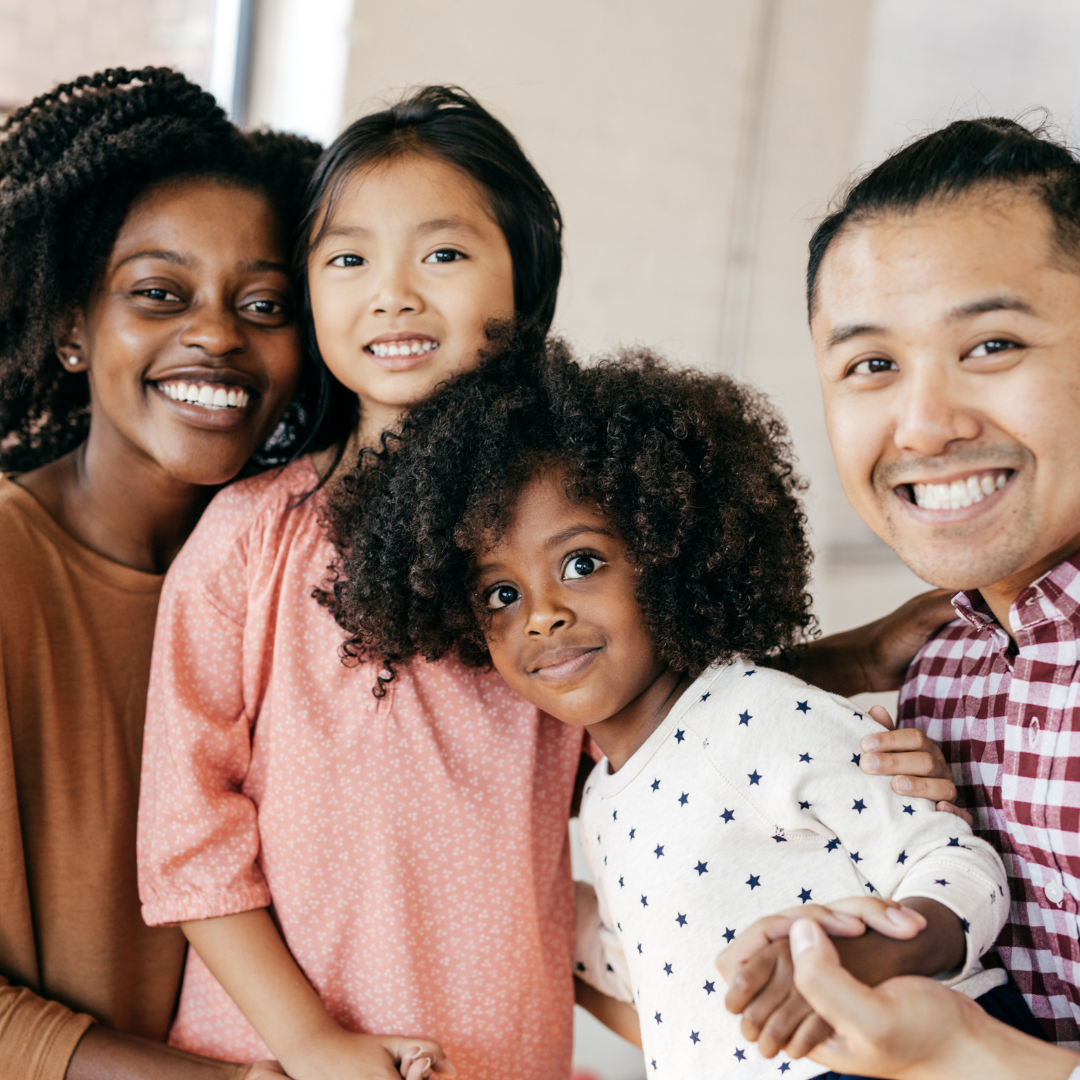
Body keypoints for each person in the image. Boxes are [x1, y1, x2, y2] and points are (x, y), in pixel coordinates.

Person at [135, 86, 952, 1080]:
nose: (393, 292)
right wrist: (312, 1047)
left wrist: (849, 680)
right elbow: (188, 839)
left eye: (442, 253)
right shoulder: (248, 541)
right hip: (278, 1051)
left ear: (522, 286)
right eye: (348, 258)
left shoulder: (559, 540)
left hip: (504, 1046)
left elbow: (664, 714)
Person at [311, 335, 1031, 1080]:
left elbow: (956, 862)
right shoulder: (606, 799)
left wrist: (876, 954)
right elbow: (661, 974)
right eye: (501, 594)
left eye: (581, 563)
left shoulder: (761, 716)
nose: (542, 615)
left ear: (671, 550)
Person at [726, 114, 1080, 1077]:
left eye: (993, 344)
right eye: (873, 366)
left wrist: (975, 1054)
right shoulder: (941, 672)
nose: (924, 426)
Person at [0, 68, 320, 1080]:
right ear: (71, 327)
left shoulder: (306, 572)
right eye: (158, 292)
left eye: (263, 301)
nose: (218, 331)